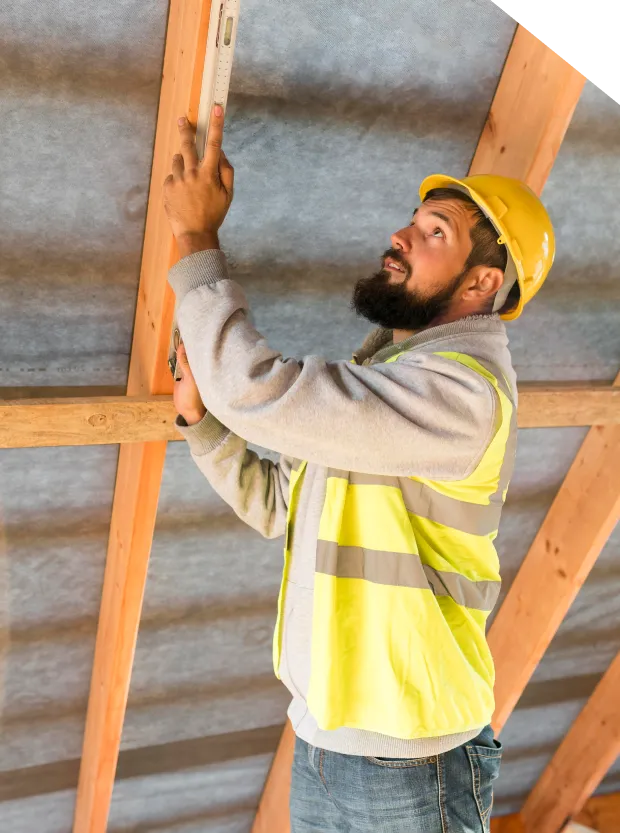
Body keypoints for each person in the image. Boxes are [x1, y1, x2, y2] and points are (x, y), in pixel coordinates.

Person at [162, 105, 555, 833]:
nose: (400, 235)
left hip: (413, 761)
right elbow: (281, 503)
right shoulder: (388, 375)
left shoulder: (461, 393)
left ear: (480, 284)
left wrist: (194, 238)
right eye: (414, 219)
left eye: (436, 232)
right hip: (326, 741)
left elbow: (259, 390)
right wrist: (201, 421)